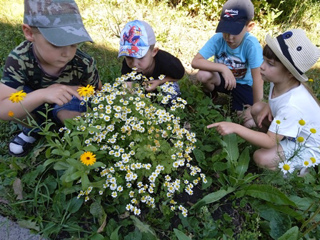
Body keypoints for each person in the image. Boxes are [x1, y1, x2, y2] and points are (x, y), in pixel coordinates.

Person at [208, 29, 320, 172]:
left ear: (290, 73)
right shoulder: (279, 81)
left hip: (307, 148)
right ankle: (276, 147)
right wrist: (269, 106)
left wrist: (236, 128)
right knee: (258, 108)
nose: (262, 66)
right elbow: (275, 100)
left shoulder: (293, 105)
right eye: (264, 60)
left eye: (270, 63)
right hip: (291, 133)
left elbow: (270, 142)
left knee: (261, 157)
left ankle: (294, 173)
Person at [0, 0, 102, 157]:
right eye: (57, 44)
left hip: (67, 104)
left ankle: (75, 136)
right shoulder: (19, 59)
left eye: (74, 43)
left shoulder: (83, 63)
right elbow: (3, 108)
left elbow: (99, 92)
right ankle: (35, 128)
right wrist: (43, 94)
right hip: (35, 105)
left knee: (71, 108)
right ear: (29, 32)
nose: (67, 53)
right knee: (17, 100)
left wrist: (82, 92)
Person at [191, 0, 263, 127]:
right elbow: (195, 61)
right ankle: (212, 97)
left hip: (243, 85)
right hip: (222, 79)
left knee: (249, 122)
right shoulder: (219, 38)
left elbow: (258, 79)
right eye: (226, 30)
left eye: (235, 31)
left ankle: (237, 107)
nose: (229, 37)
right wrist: (222, 68)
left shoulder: (251, 45)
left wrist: (255, 109)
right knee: (203, 75)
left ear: (249, 27)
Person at [118, 20, 185, 102]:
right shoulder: (127, 64)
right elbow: (127, 84)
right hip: (142, 92)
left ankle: (168, 109)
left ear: (154, 52)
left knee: (171, 89)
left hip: (161, 86)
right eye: (129, 57)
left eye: (141, 57)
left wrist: (159, 81)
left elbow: (179, 75)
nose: (134, 64)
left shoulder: (167, 62)